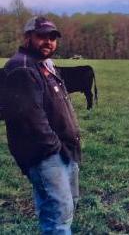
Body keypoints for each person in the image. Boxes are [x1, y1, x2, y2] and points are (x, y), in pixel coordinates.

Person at [3, 16, 81, 234]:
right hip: (45, 155)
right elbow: (31, 118)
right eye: (42, 36)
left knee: (61, 209)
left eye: (53, 37)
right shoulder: (22, 68)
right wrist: (55, 148)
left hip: (63, 151)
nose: (48, 42)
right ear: (28, 37)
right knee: (58, 214)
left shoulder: (43, 65)